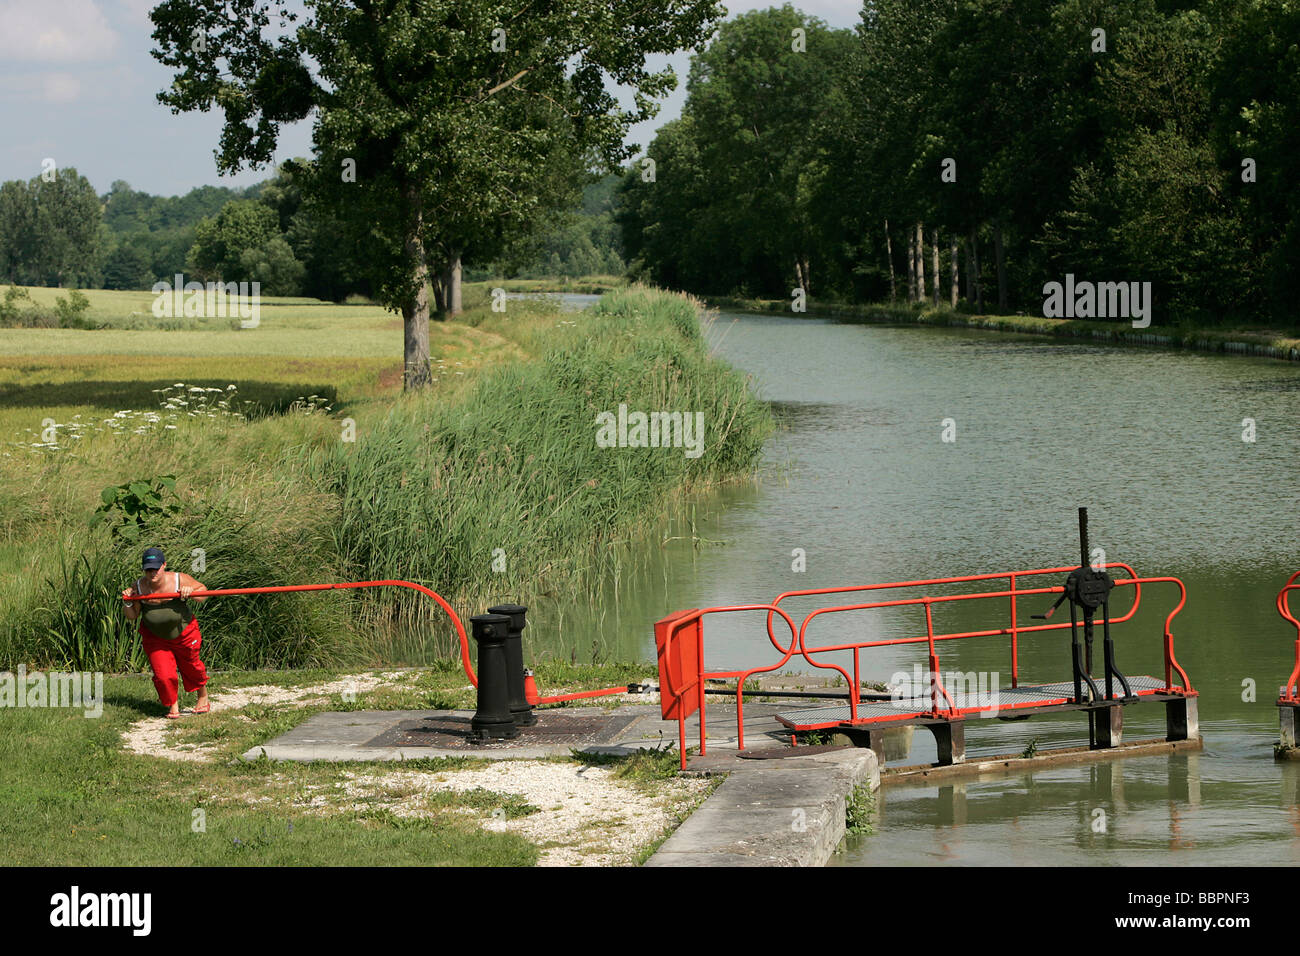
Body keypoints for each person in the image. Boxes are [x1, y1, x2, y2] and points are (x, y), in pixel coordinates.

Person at [122, 547, 211, 718]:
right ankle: (173, 705)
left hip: (184, 632)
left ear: (164, 565)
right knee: (163, 675)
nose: (152, 572)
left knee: (192, 666)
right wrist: (127, 602)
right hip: (155, 637)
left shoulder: (179, 579)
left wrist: (190, 592)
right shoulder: (139, 586)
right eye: (148, 569)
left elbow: (203, 594)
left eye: (156, 568)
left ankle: (203, 697)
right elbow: (132, 616)